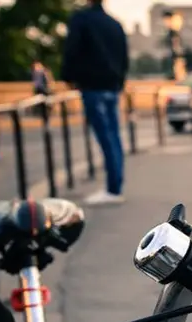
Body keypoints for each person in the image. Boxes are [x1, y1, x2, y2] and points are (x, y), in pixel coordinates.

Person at [61, 0, 129, 206]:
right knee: (114, 137)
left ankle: (113, 189)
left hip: (92, 86)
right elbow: (124, 58)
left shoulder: (81, 19)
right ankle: (115, 185)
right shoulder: (115, 24)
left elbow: (72, 49)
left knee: (106, 138)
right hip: (111, 85)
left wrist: (68, 77)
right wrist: (119, 82)